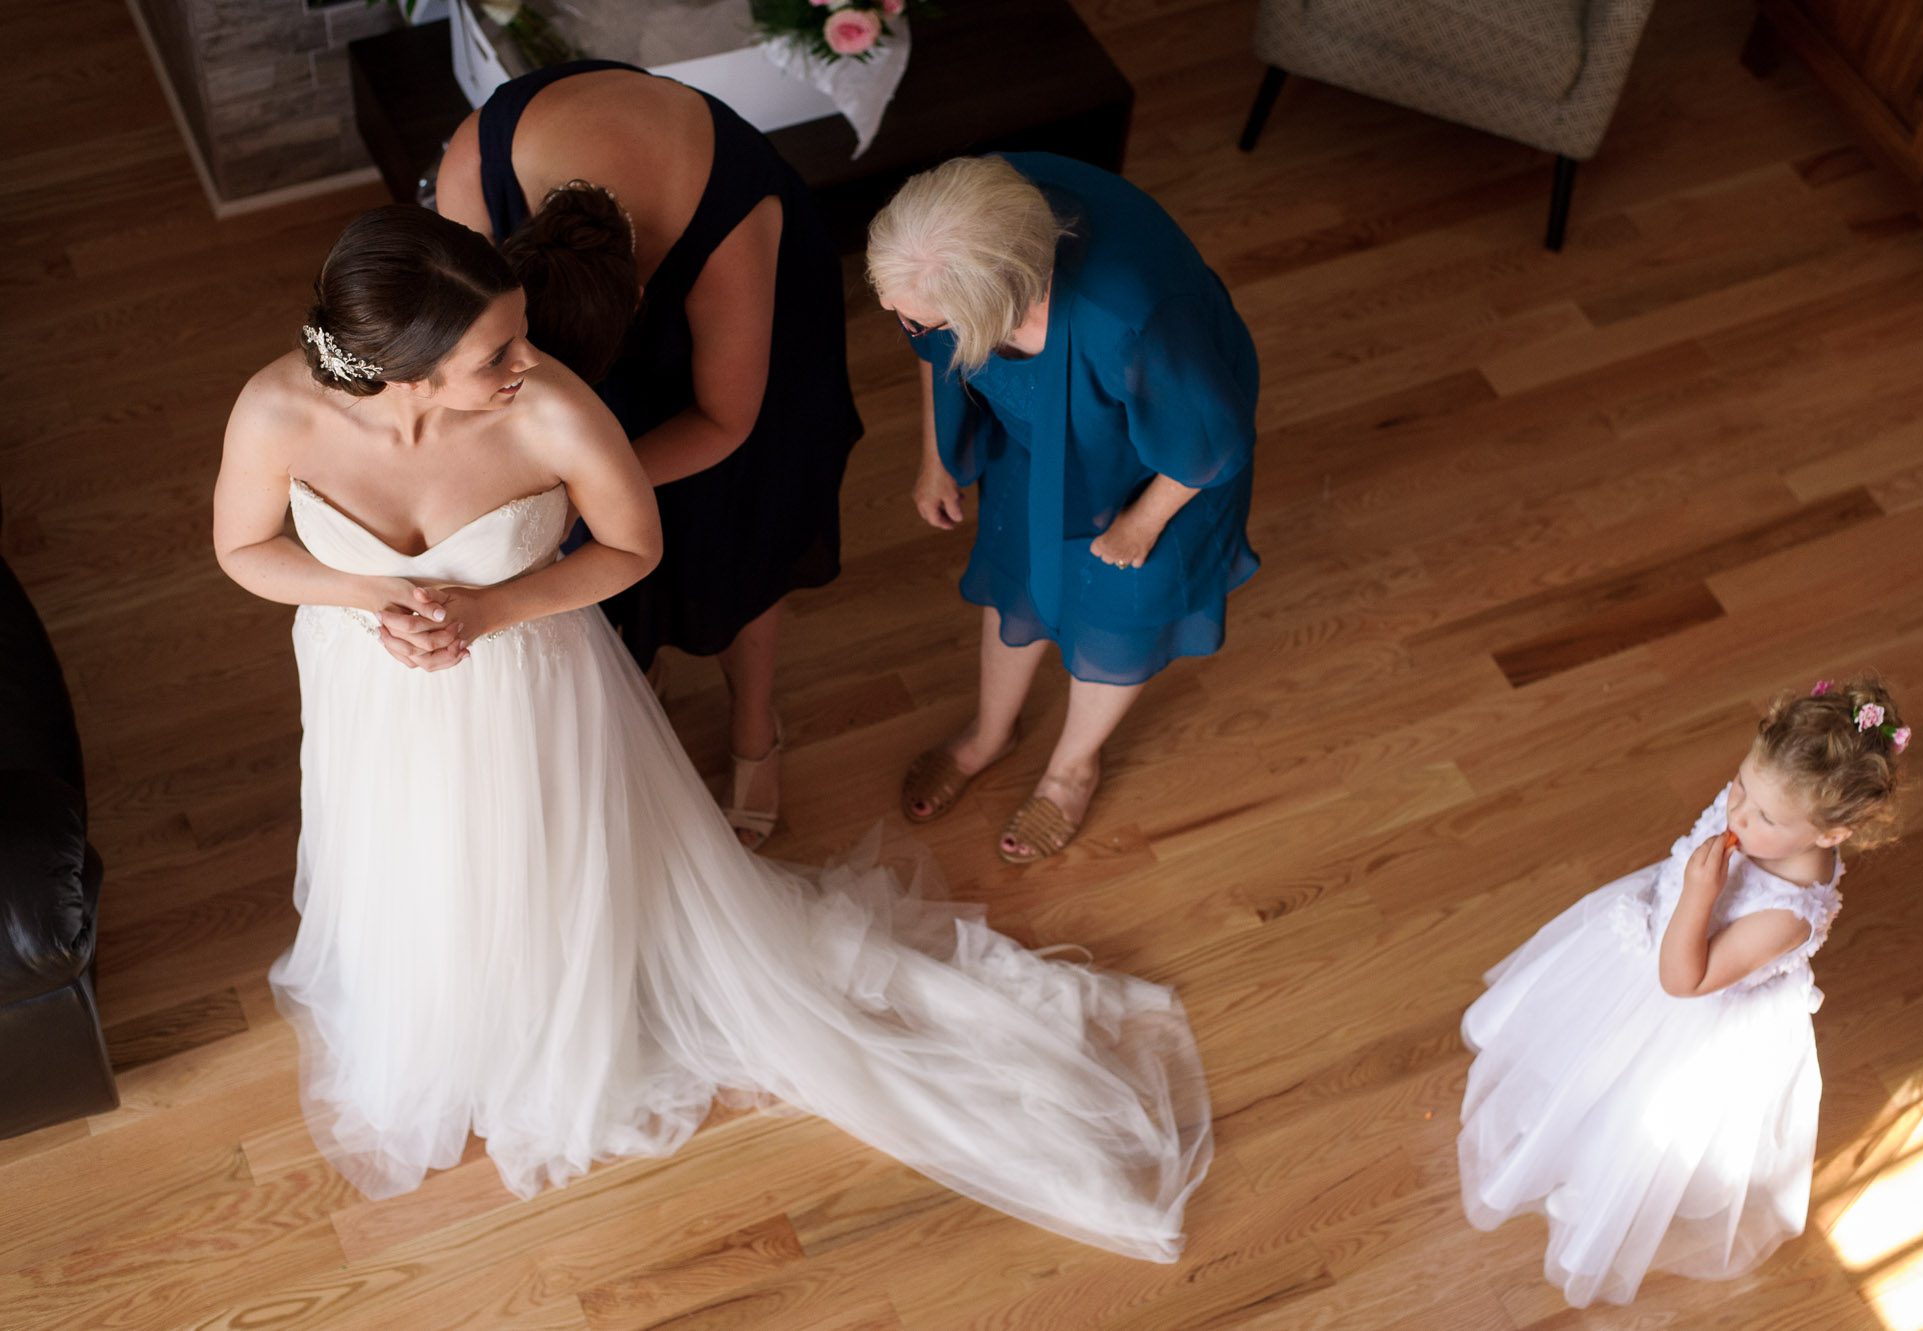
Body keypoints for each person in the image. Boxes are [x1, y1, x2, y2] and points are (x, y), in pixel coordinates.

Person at [211, 204, 1210, 1261]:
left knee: (536, 854)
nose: (526, 357)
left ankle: (553, 1012)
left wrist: (486, 611)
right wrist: (375, 596)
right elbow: (244, 547)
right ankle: (434, 1009)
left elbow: (632, 546)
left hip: (525, 681)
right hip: (366, 681)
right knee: (402, 847)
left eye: (518, 333)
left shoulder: (549, 410)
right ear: (401, 370)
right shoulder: (277, 408)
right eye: (495, 349)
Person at [436, 60, 863, 849]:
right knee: (610, 548)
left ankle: (754, 730)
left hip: (748, 362)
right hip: (580, 316)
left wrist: (577, 485)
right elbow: (452, 337)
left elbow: (724, 420)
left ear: (638, 306)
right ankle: (643, 666)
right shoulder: (478, 162)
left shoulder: (729, 232)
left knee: (741, 539)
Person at [1457, 677, 1913, 1306]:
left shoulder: (1786, 915)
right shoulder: (1754, 818)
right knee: (1582, 1058)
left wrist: (1700, 893)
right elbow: (1739, 819)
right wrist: (1713, 857)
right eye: (1740, 787)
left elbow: (1683, 981)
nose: (1737, 815)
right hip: (1638, 950)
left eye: (1763, 816)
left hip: (1685, 1014)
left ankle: (1595, 1175)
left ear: (1829, 835)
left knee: (1625, 1111)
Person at [867, 153, 1259, 863]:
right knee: (1016, 575)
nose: (904, 325)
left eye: (920, 320)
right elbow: (935, 352)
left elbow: (1212, 445)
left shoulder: (1130, 320)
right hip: (1041, 438)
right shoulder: (950, 231)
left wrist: (1142, 522)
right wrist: (937, 456)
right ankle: (990, 733)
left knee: (1118, 613)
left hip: (1162, 464)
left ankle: (1071, 767)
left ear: (999, 304)